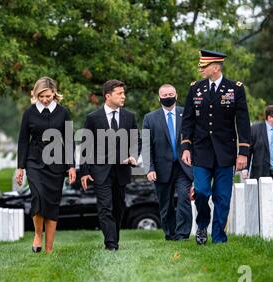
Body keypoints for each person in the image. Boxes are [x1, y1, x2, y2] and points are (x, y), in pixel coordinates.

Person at [181, 49, 251, 245]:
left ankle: (219, 237)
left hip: (226, 152)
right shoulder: (195, 88)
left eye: (204, 66)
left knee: (222, 196)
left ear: (216, 68)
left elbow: (243, 122)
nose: (200, 69)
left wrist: (243, 152)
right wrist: (185, 147)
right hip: (201, 151)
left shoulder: (235, 89)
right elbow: (188, 120)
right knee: (202, 191)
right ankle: (202, 224)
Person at [16, 77, 76, 253]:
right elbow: (22, 141)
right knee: (38, 196)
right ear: (36, 95)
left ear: (54, 94)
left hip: (56, 165)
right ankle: (37, 234)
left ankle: (49, 248)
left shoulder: (63, 113)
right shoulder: (29, 113)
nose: (44, 99)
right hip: (34, 162)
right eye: (41, 96)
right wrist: (20, 167)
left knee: (52, 203)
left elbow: (69, 140)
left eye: (48, 96)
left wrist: (71, 166)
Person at [80, 79, 139, 251]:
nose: (123, 96)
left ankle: (114, 239)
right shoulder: (93, 118)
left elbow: (136, 141)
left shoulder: (129, 117)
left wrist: (133, 156)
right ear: (108, 96)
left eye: (123, 93)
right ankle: (111, 244)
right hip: (100, 171)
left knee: (118, 208)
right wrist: (84, 171)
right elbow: (86, 146)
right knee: (105, 207)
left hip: (122, 170)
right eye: (119, 93)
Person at [143, 84, 193, 241]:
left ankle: (182, 234)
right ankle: (170, 234)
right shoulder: (149, 118)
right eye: (164, 95)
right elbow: (146, 145)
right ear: (159, 98)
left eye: (170, 94)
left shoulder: (186, 114)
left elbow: (195, 139)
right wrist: (149, 168)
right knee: (166, 204)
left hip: (184, 167)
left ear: (176, 95)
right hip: (160, 169)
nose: (167, 97)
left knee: (184, 197)